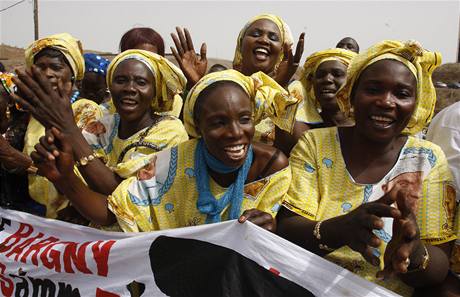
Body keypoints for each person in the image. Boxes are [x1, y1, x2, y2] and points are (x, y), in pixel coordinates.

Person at [276, 40, 456, 296]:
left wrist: (413, 252)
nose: (386, 102)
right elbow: (287, 229)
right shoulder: (316, 144)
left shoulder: (427, 159)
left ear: (416, 103)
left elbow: (438, 266)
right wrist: (341, 229)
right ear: (351, 94)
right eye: (373, 89)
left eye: (402, 94)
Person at [31, 69, 299, 233]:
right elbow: (114, 213)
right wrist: (64, 178)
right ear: (198, 127)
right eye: (218, 122)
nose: (235, 132)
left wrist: (269, 228)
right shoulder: (172, 163)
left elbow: (274, 241)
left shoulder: (271, 167)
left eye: (244, 119)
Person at [14, 49, 189, 205]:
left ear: (155, 91)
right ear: (110, 88)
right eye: (120, 80)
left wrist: (68, 128)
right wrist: (52, 126)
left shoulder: (169, 130)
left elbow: (123, 197)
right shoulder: (104, 124)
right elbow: (78, 179)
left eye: (141, 82)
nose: (130, 88)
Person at [1, 33, 102, 219]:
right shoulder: (25, 113)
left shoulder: (87, 112)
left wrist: (23, 162)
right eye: (40, 67)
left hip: (72, 216)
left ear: (72, 74)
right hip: (27, 216)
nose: (48, 74)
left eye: (56, 67)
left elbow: (90, 174)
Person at [171, 14, 304, 143]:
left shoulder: (294, 91)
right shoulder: (222, 83)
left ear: (282, 50)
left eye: (273, 37)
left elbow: (293, 146)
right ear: (241, 43)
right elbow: (194, 136)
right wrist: (198, 88)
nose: (263, 40)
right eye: (256, 34)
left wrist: (280, 88)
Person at [274, 48, 357, 155]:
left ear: (352, 83)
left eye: (337, 74)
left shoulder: (364, 128)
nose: (327, 79)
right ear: (312, 84)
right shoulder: (301, 129)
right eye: (321, 75)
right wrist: (282, 81)